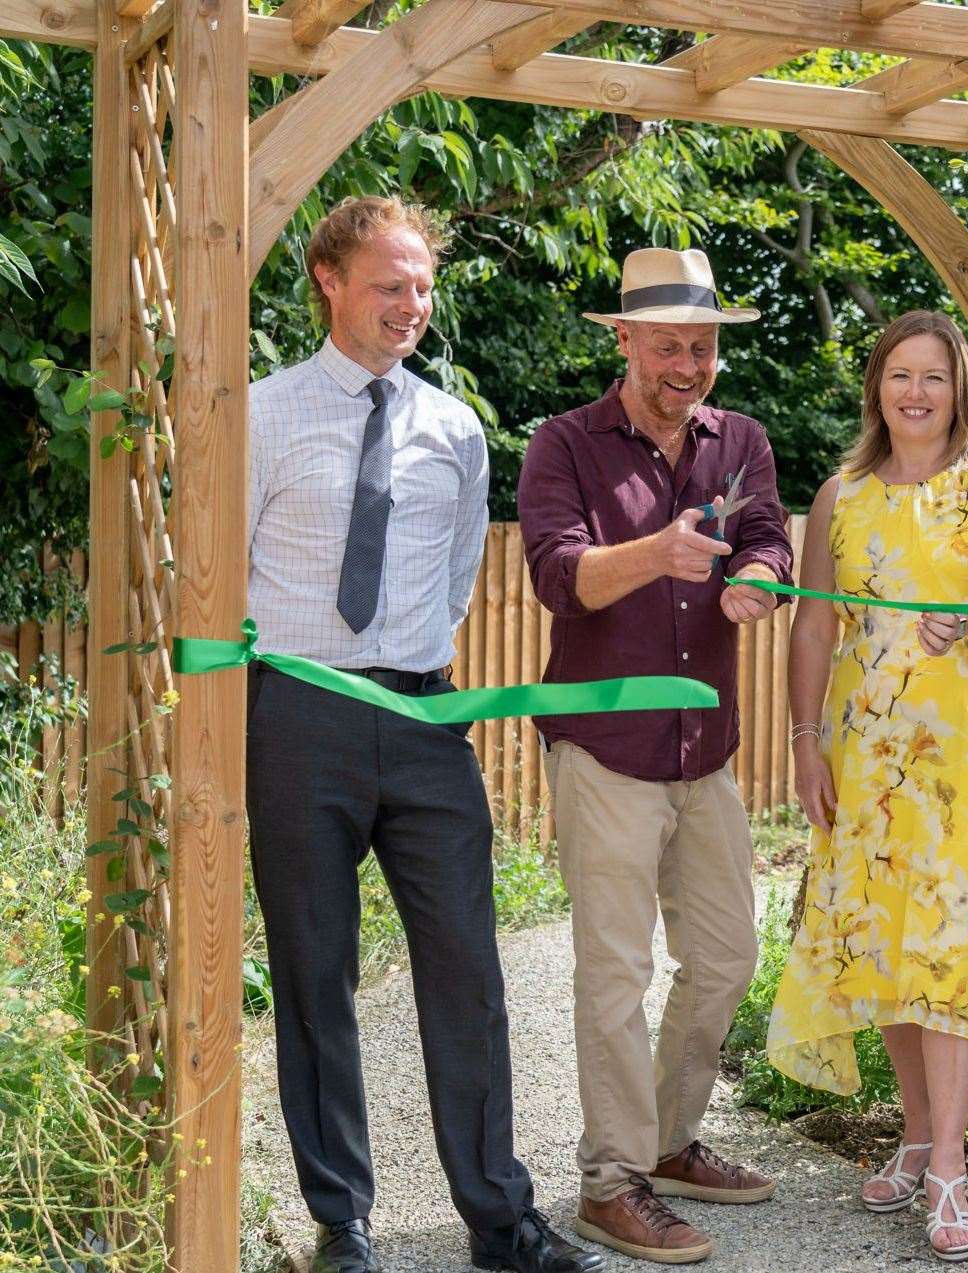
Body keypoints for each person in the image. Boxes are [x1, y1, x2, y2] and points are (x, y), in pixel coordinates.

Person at [246, 196, 600, 1273]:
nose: (412, 305)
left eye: (423, 286)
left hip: (423, 715)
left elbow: (454, 582)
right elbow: (219, 573)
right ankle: (341, 1222)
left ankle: (500, 1220)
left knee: (467, 968)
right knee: (316, 970)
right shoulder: (258, 416)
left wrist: (411, 676)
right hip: (297, 715)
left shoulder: (453, 427)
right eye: (390, 283)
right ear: (329, 280)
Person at [766, 310, 968, 1263]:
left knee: (953, 940)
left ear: (960, 389)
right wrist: (805, 740)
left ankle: (949, 1169)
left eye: (933, 377)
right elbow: (813, 625)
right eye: (899, 374)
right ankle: (914, 1133)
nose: (914, 392)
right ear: (876, 386)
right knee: (892, 941)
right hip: (866, 748)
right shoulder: (841, 493)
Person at [517, 247, 793, 1265]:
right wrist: (659, 553)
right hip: (605, 751)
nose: (688, 362)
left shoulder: (742, 439)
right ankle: (609, 1180)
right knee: (615, 973)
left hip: (703, 751)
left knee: (725, 957)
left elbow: (765, 529)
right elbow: (560, 578)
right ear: (623, 339)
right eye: (668, 341)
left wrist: (755, 576)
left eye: (704, 343)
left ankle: (669, 1142)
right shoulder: (564, 444)